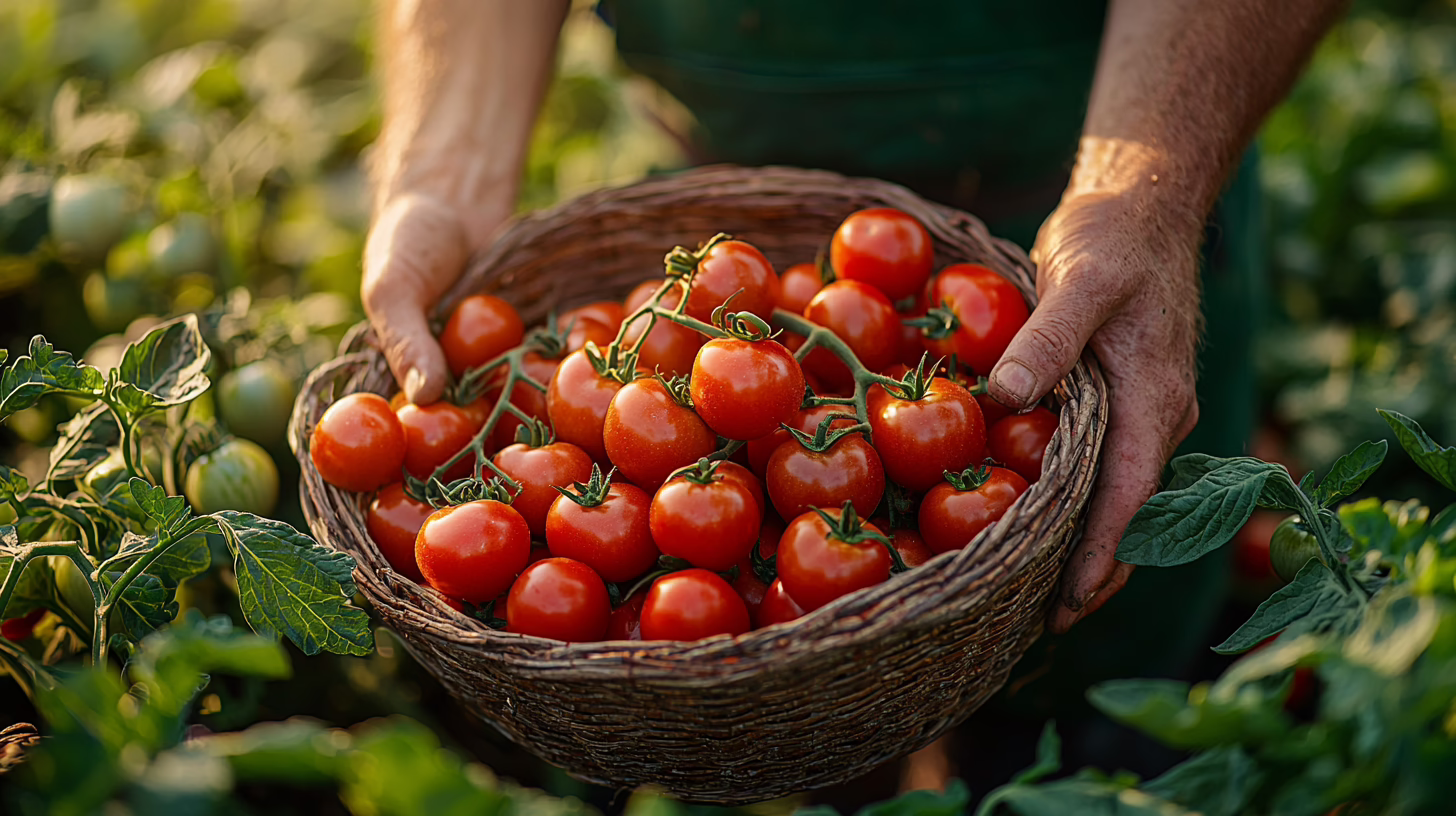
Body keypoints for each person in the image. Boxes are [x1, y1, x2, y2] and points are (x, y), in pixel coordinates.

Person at [361, 0, 1342, 791]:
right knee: (769, 742)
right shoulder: (715, 346)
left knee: (1104, 718)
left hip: (1113, 224)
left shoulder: (716, 377)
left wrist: (1145, 198)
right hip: (749, 203)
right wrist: (445, 179)